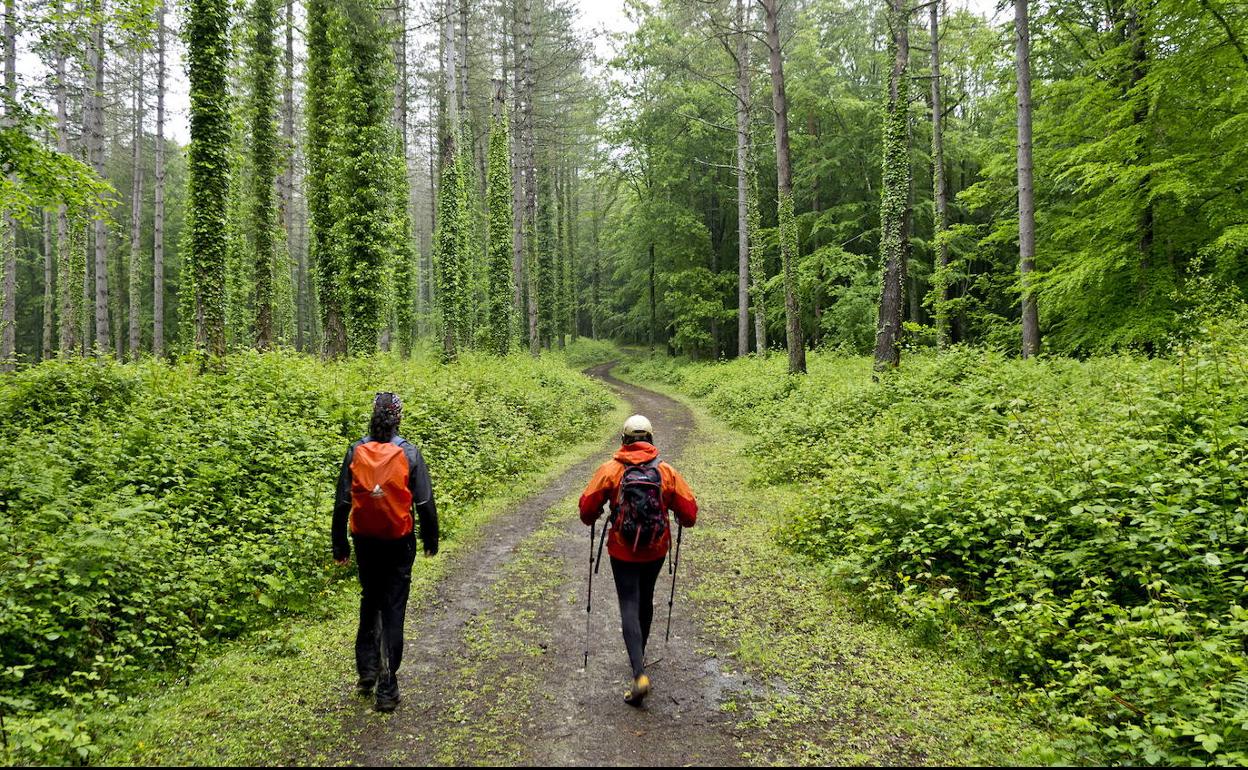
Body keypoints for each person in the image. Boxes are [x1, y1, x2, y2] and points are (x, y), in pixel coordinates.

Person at [579, 414, 698, 706]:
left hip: (622, 551)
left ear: (624, 440)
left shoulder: (610, 470)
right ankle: (639, 657)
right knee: (645, 600)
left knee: (629, 602)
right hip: (656, 550)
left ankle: (639, 672)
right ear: (651, 440)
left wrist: (599, 512)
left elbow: (585, 510)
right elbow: (690, 515)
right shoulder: (667, 472)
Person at [332, 392, 439, 713]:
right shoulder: (408, 452)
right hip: (398, 542)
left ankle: (367, 671)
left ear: (373, 416)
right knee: (393, 607)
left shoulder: (355, 450)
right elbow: (424, 503)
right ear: (398, 418)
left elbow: (342, 503)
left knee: (370, 598)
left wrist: (339, 543)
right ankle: (387, 688)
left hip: (364, 541)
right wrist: (431, 538)